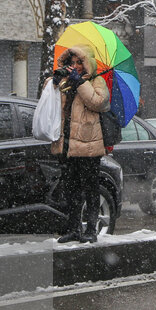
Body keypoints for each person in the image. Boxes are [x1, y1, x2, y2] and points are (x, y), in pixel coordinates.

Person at [49, 46, 110, 243]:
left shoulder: (96, 81)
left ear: (87, 64)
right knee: (71, 189)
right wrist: (54, 82)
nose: (75, 66)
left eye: (79, 63)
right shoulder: (66, 81)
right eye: (71, 63)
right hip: (67, 144)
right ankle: (73, 228)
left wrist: (80, 83)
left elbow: (98, 102)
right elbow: (49, 100)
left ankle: (91, 229)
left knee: (90, 188)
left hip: (89, 145)